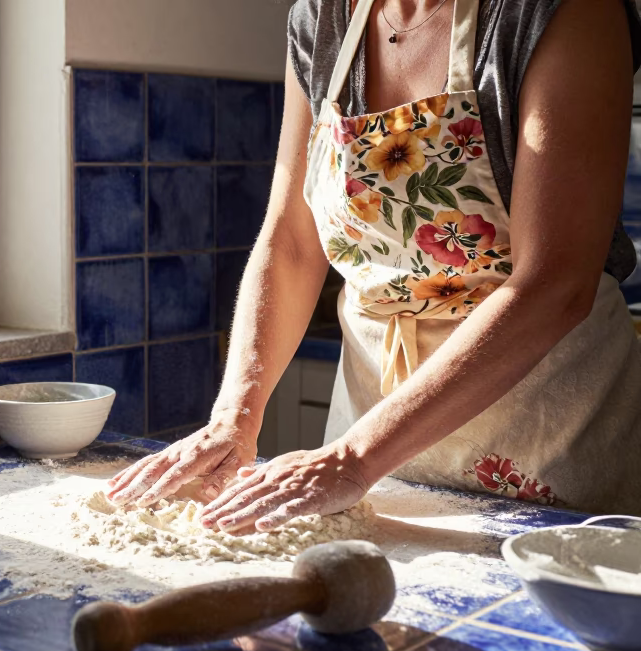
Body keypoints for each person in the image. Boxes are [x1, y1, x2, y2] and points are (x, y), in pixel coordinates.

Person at [108, 0, 641, 530]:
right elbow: (291, 242)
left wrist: (354, 458)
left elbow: (555, 283)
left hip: (543, 440)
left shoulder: (562, 11)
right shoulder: (322, 20)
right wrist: (233, 418)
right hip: (367, 438)